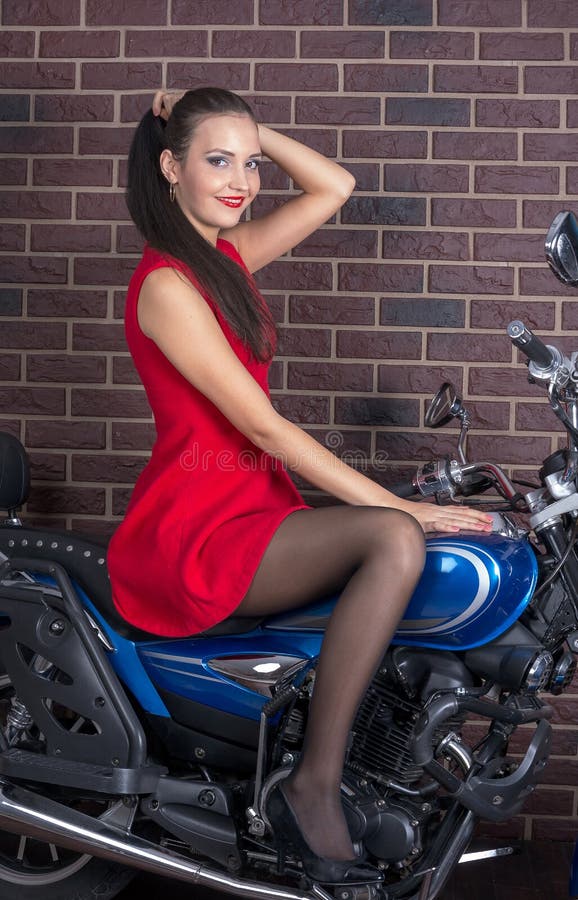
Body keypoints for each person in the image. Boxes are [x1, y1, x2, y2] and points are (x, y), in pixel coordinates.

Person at [107, 87, 493, 887]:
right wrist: (404, 506)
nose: (242, 179)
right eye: (217, 161)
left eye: (248, 164)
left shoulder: (224, 259)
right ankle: (313, 785)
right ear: (170, 167)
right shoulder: (167, 286)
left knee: (399, 533)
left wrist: (248, 132)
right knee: (392, 536)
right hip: (197, 527)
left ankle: (373, 768)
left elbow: (335, 187)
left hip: (251, 507)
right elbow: (264, 430)